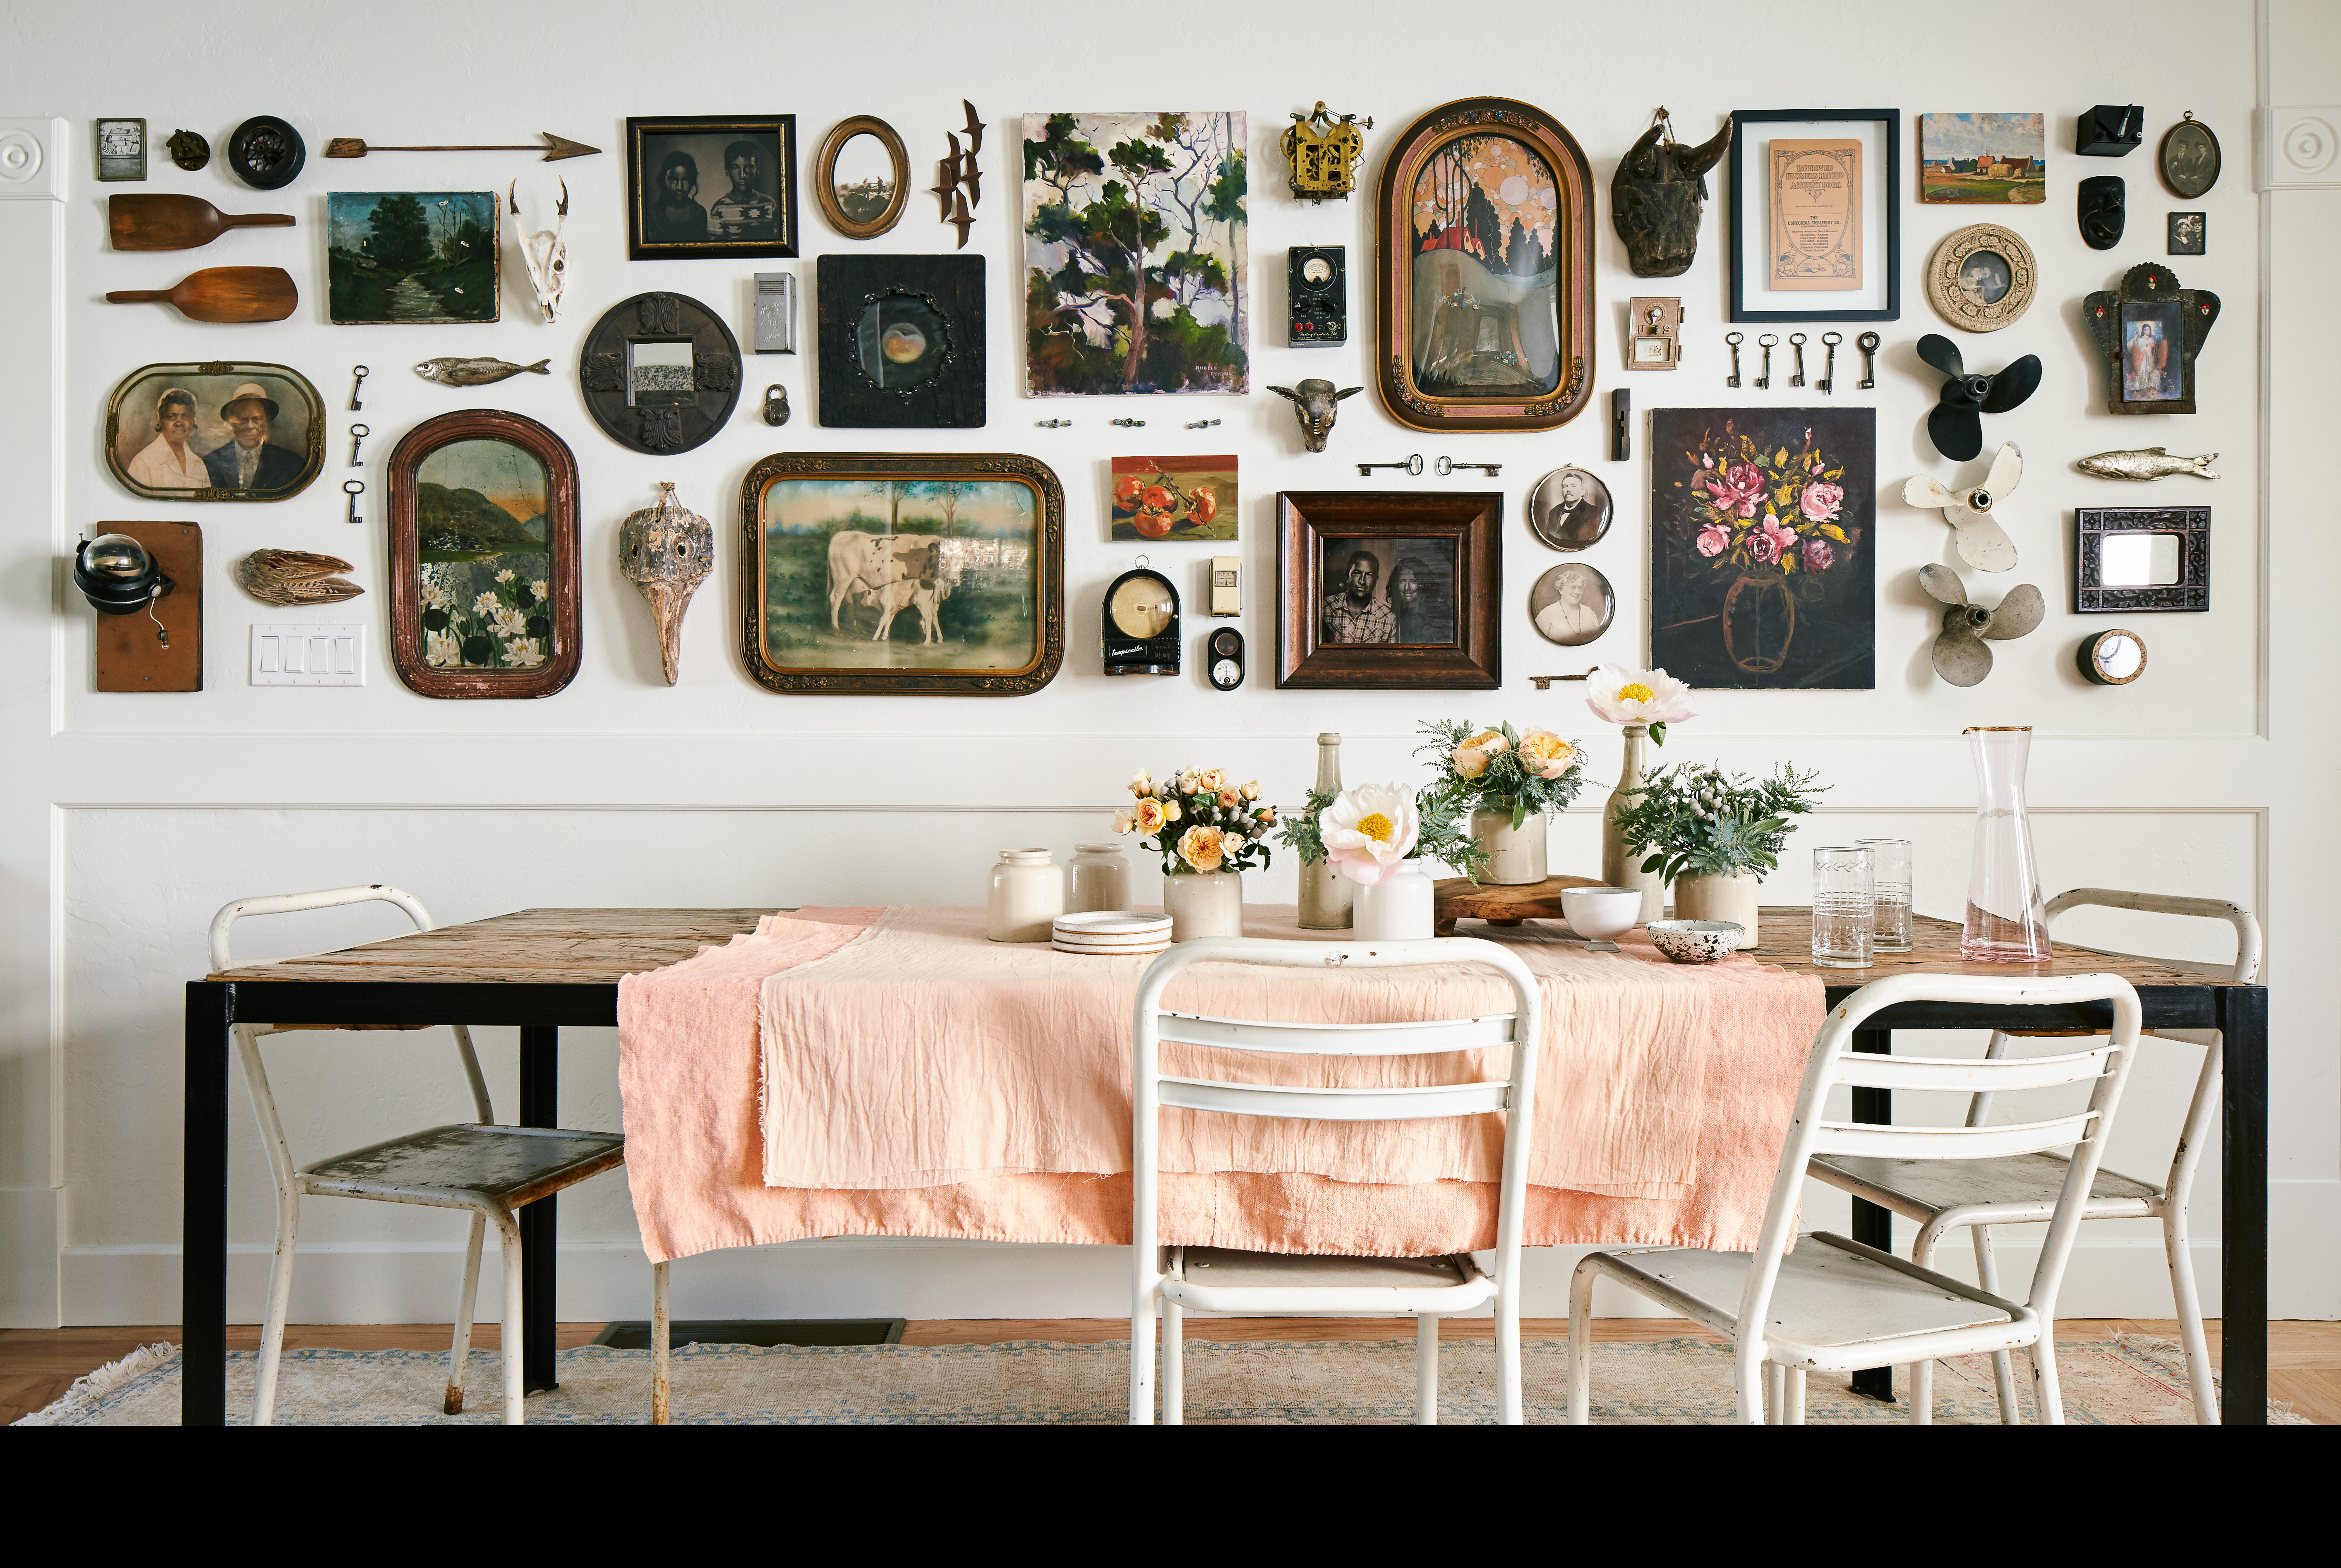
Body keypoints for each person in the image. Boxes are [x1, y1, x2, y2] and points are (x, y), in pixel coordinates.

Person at [201, 384, 305, 492]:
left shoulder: (291, 462)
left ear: (266, 421)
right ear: (232, 422)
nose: (250, 426)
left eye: (257, 419)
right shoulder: (211, 461)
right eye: (243, 419)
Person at [125, 387, 207, 490]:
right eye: (172, 417)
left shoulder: (199, 464)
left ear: (193, 421)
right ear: (161, 420)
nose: (180, 423)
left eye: (186, 416)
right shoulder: (143, 462)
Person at [709, 139, 777, 240]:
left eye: (749, 168)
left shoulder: (770, 205)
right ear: (727, 170)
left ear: (757, 169)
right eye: (735, 168)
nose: (742, 176)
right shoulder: (719, 209)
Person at [1322, 549, 1395, 643]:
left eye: (1369, 575)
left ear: (1376, 580)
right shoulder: (1325, 607)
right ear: (1348, 576)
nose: (1362, 581)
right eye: (1357, 573)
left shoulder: (1388, 617)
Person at [645, 150, 708, 243]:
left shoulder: (699, 213)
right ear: (663, 180)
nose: (680, 187)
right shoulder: (652, 214)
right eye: (673, 180)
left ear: (692, 182)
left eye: (685, 180)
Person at [1534, 568, 1606, 645]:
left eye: (1581, 588)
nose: (1577, 592)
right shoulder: (1547, 613)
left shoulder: (1589, 613)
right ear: (1561, 589)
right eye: (1573, 587)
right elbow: (1537, 641)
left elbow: (1598, 641)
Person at [1540, 469, 1609, 547]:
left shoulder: (1593, 512)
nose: (1568, 490)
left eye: (1573, 486)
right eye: (1565, 487)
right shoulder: (1554, 511)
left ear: (1583, 491)